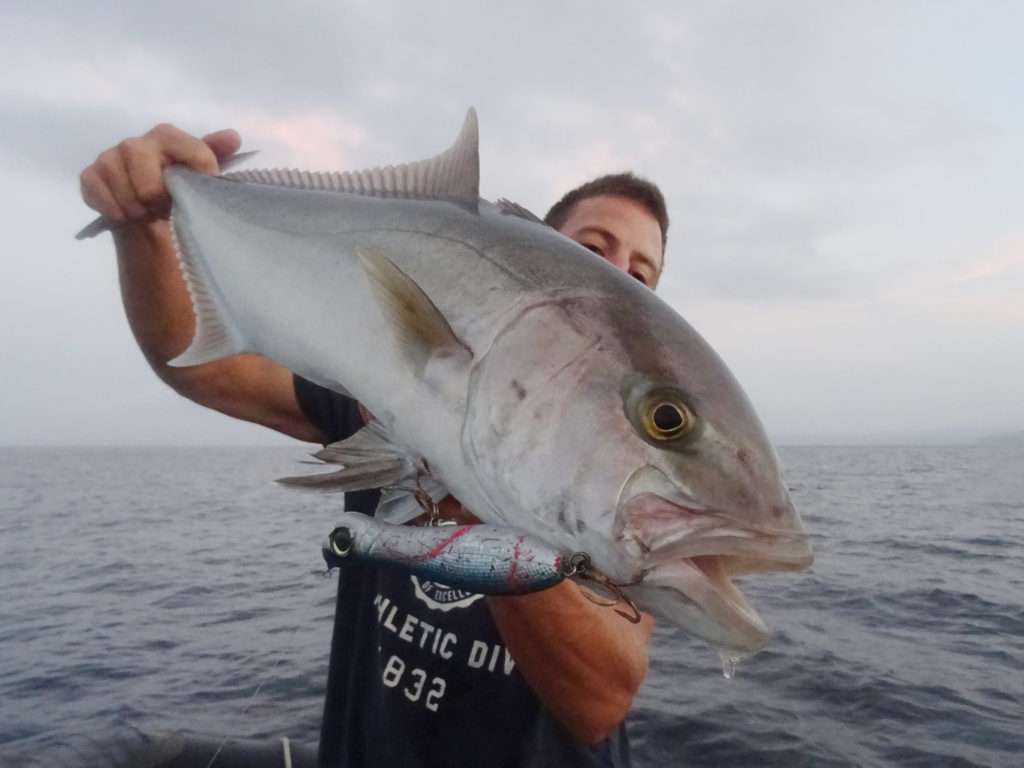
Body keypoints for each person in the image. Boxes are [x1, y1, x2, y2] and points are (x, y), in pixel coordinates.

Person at [79, 122, 669, 768]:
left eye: (642, 274)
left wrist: (476, 477)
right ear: (531, 257)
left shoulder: (632, 478)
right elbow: (203, 366)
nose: (616, 278)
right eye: (592, 249)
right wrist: (144, 230)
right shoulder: (389, 384)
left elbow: (600, 700)